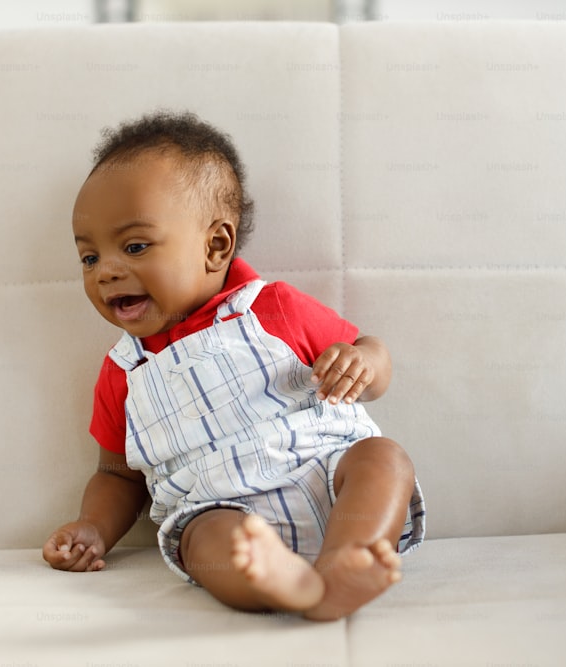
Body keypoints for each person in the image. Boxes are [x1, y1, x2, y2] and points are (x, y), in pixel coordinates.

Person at [43, 110, 425, 621]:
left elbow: (370, 353)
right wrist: (93, 526)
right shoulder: (122, 374)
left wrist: (362, 361)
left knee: (383, 457)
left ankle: (347, 559)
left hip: (326, 475)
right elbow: (116, 475)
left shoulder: (274, 309)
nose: (106, 272)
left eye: (135, 246)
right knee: (204, 541)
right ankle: (283, 585)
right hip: (224, 511)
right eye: (89, 258)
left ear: (216, 245)